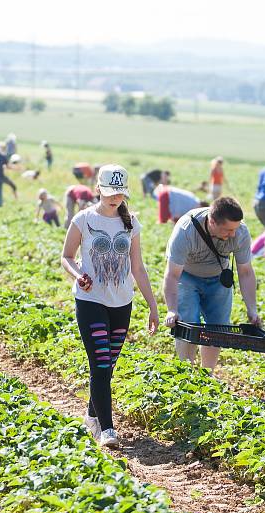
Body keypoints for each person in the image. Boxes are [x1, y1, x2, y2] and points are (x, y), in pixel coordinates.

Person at [61, 164, 158, 448]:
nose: (116, 199)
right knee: (101, 363)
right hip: (90, 300)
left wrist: (152, 306)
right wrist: (78, 275)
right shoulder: (83, 219)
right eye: (110, 193)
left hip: (122, 303)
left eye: (120, 194)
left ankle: (92, 414)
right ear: (99, 189)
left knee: (109, 365)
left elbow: (138, 268)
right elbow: (66, 256)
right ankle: (107, 429)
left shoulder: (131, 223)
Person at [163, 197, 259, 372]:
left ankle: (207, 376)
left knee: (218, 328)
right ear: (212, 222)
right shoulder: (186, 230)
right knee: (189, 324)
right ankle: (187, 375)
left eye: (235, 229)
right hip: (187, 277)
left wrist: (252, 309)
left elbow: (245, 272)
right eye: (228, 230)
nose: (233, 234)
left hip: (218, 280)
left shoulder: (240, 232)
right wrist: (172, 309)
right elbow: (172, 275)